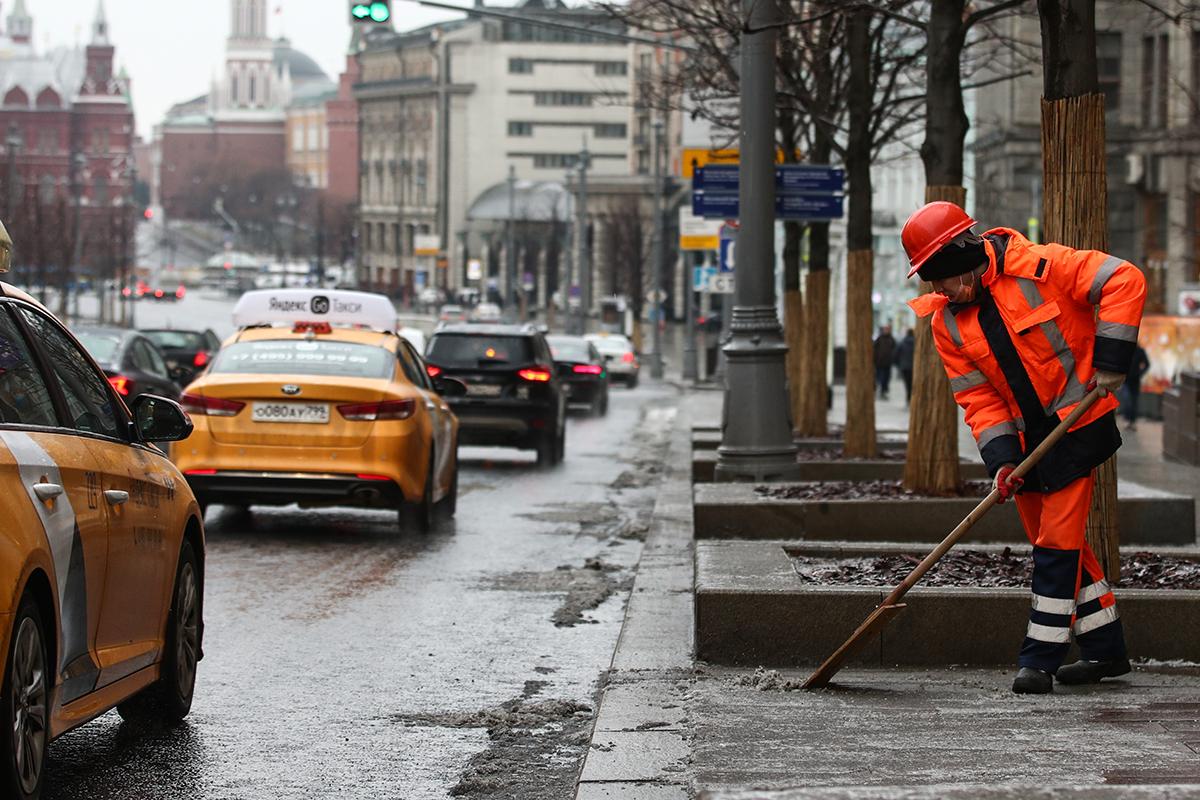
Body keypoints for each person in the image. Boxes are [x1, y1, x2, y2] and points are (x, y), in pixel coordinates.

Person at [902, 201, 1146, 695]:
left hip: (1076, 425)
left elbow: (1125, 279)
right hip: (1026, 444)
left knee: (1055, 543)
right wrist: (1002, 459)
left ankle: (1039, 658)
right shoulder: (945, 323)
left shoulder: (1041, 266)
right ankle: (1106, 649)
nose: (938, 290)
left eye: (941, 278)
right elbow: (977, 397)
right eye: (931, 281)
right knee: (1060, 542)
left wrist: (1113, 361)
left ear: (961, 258)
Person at [1124, 344, 1150, 431]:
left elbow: (1147, 364)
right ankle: (1128, 421)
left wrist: (1139, 374)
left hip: (1135, 381)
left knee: (1133, 402)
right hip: (1126, 381)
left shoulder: (1139, 350)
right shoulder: (1127, 350)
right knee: (1127, 401)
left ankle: (1132, 422)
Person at [873, 324, 896, 400]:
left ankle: (884, 390)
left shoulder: (891, 339)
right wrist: (875, 359)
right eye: (885, 329)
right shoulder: (879, 338)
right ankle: (881, 390)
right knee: (880, 377)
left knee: (886, 378)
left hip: (888, 363)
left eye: (888, 329)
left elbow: (894, 349)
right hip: (879, 362)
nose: (886, 330)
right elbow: (874, 349)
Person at [895, 328, 916, 404]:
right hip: (913, 367)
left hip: (904, 367)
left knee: (907, 383)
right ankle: (911, 397)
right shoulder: (916, 343)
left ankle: (908, 397)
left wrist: (898, 364)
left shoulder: (902, 342)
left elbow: (896, 354)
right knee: (912, 383)